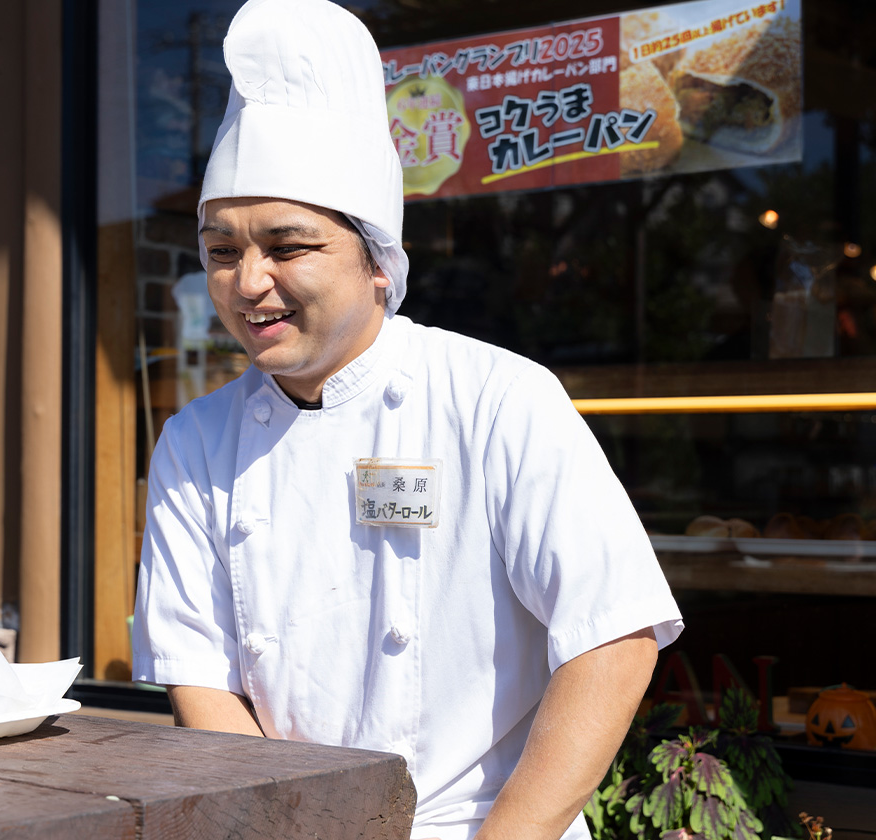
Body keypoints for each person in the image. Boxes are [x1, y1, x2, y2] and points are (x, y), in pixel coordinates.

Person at [132, 1, 684, 838]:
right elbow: (200, 677)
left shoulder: (496, 396)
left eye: (287, 247)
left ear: (377, 262)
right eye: (221, 250)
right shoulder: (195, 441)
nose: (247, 283)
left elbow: (613, 637)